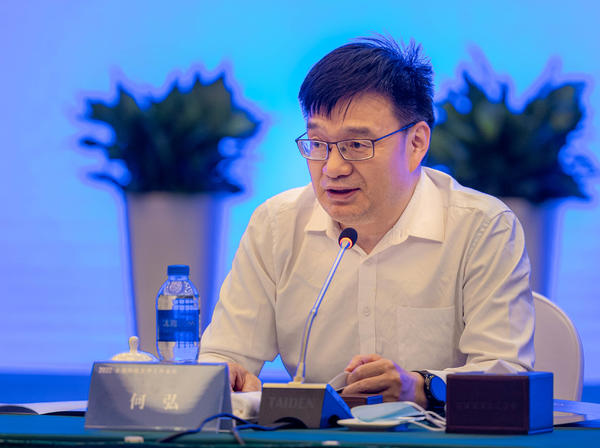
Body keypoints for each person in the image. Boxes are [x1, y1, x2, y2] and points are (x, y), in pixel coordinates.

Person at [198, 36, 534, 410]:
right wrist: (227, 374)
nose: (332, 168)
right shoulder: (276, 225)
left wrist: (420, 387)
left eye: (357, 145)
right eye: (318, 143)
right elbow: (224, 355)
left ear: (416, 143)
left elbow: (507, 378)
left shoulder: (482, 228)